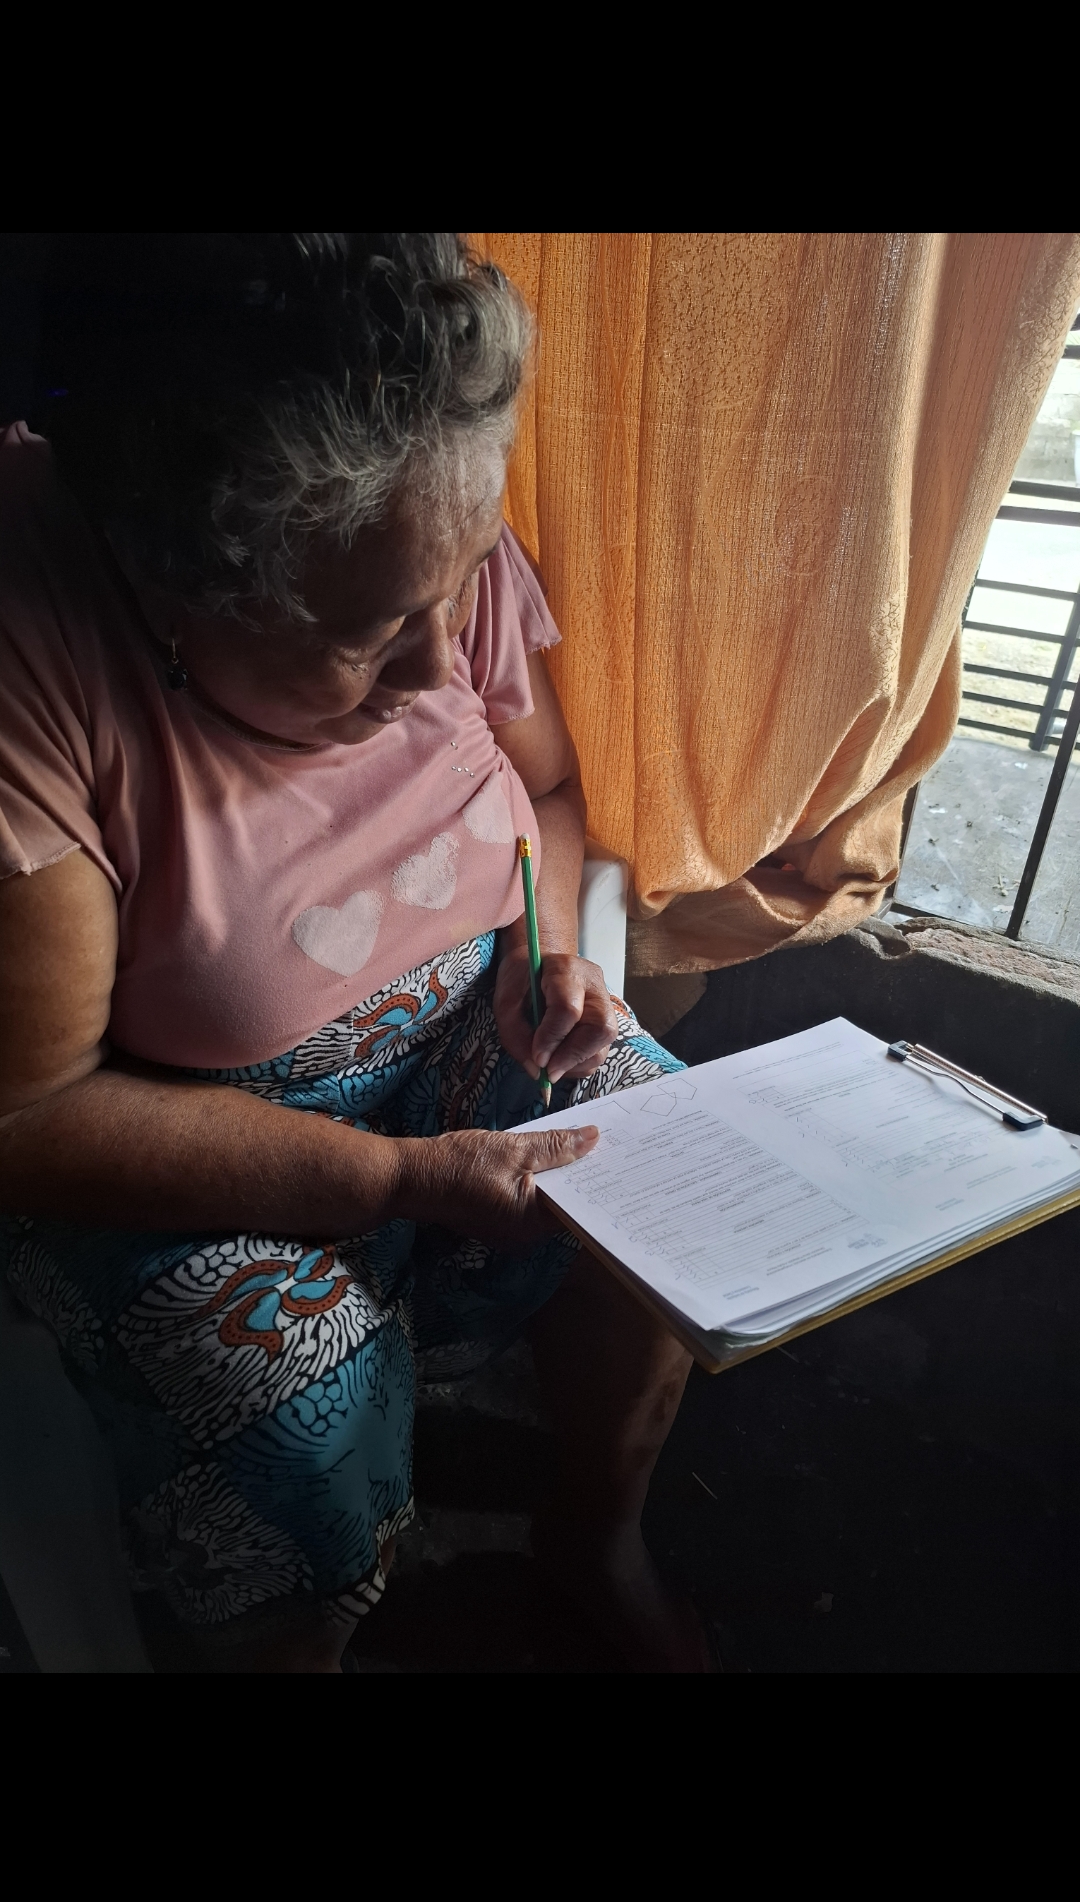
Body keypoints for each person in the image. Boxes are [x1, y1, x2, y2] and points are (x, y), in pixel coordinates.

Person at [0, 234, 705, 1672]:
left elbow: (548, 792)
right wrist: (395, 1180)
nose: (447, 668)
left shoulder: (416, 519)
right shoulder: (37, 646)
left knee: (674, 1171)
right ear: (182, 593)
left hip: (471, 1026)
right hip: (172, 1143)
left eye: (463, 585)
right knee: (297, 1404)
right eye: (372, 632)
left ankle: (593, 1532)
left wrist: (549, 953)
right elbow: (33, 1112)